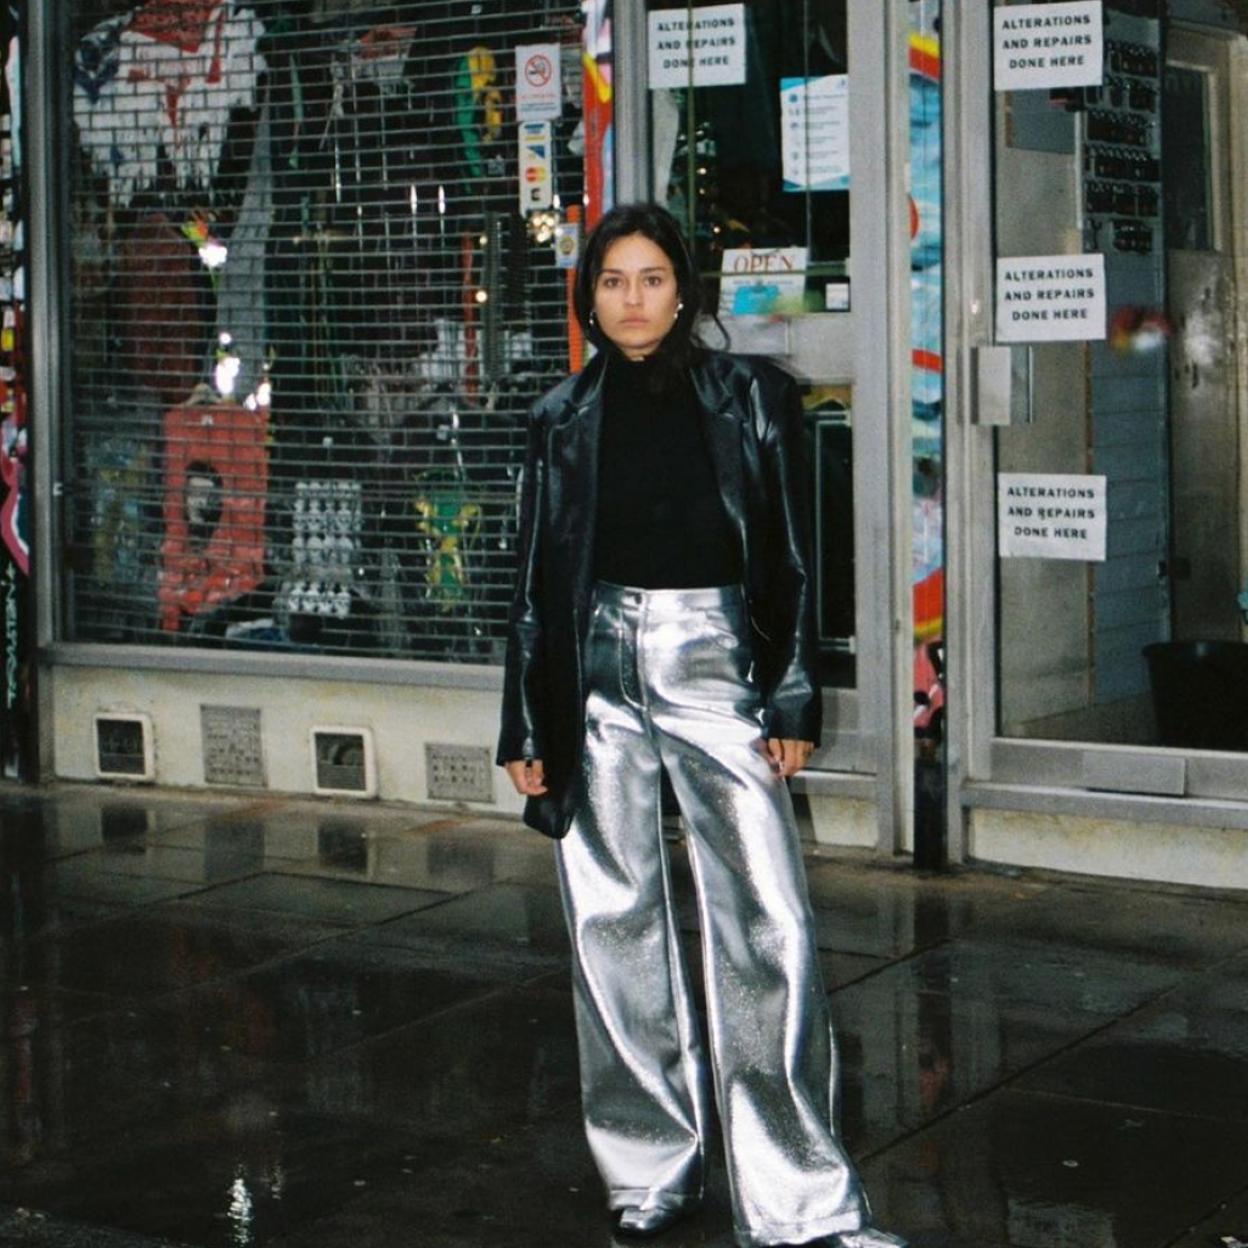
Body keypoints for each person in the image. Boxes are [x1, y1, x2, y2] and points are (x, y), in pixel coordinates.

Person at [496, 202, 904, 1248]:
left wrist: (792, 695)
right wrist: (526, 725)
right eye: (613, 281)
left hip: (716, 663)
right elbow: (534, 584)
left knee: (769, 922)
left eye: (652, 279)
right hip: (594, 673)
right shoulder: (559, 416)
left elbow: (796, 556)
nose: (632, 300)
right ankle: (648, 1170)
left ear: (685, 292)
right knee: (611, 921)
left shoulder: (752, 398)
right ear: (589, 297)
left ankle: (801, 1203)